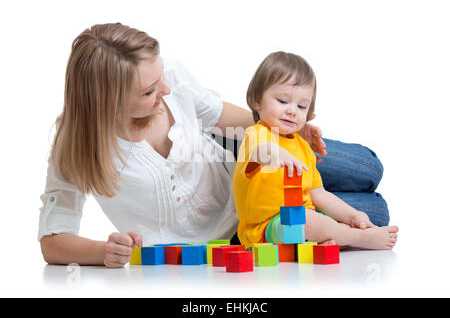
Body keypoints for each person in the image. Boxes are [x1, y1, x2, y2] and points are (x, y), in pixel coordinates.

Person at [38, 23, 390, 268]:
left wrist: (287, 131)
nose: (166, 90)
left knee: (368, 169)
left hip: (245, 164)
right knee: (375, 213)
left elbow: (224, 117)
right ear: (106, 102)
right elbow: (53, 242)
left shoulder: (169, 79)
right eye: (149, 91)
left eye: (160, 77)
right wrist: (104, 252)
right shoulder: (75, 148)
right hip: (237, 233)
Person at [232, 51, 399, 249]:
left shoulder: (303, 146)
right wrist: (277, 154)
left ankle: (336, 236)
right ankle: (359, 239)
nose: (292, 110)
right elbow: (259, 151)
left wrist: (352, 214)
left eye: (302, 106)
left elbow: (319, 194)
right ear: (257, 100)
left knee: (321, 221)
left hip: (304, 219)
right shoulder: (257, 134)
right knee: (309, 221)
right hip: (265, 229)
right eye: (283, 101)